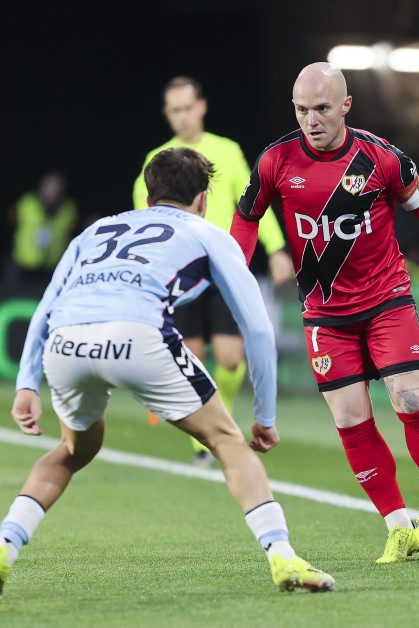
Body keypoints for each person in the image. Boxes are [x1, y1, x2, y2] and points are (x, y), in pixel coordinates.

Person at [0, 148, 334, 603]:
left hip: (66, 342)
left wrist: (26, 384)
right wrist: (265, 415)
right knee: (227, 441)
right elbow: (257, 327)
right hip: (137, 334)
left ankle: (0, 550)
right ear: (202, 199)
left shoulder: (96, 229)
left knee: (71, 451)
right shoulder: (206, 232)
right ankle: (283, 556)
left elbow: (44, 308)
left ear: (147, 196)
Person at [230, 62, 419, 563]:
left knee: (410, 397)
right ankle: (398, 527)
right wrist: (233, 279)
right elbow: (246, 220)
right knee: (350, 417)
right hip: (324, 315)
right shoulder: (276, 161)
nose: (311, 120)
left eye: (321, 108)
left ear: (346, 105)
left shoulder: (381, 159)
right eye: (301, 110)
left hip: (386, 302)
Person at [133, 77, 294, 465]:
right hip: (181, 272)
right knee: (192, 358)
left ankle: (219, 418)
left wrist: (276, 248)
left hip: (222, 268)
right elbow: (144, 217)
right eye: (175, 110)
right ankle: (204, 438)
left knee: (231, 358)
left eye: (187, 107)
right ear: (167, 114)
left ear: (201, 107)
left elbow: (251, 203)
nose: (182, 116)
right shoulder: (158, 160)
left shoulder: (226, 150)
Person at [11, 172, 79, 285]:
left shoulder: (69, 208)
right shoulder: (27, 203)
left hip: (54, 265)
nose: (54, 192)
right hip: (26, 262)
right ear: (42, 187)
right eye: (51, 187)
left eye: (58, 188)